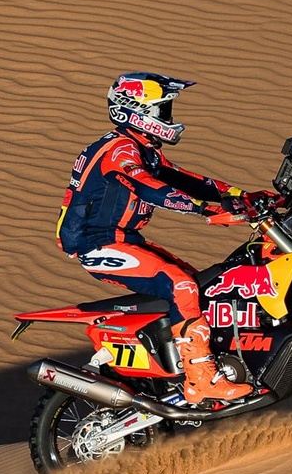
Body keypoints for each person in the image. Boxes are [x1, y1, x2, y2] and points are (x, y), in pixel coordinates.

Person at [56, 71, 270, 403]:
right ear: (136, 111)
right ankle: (200, 379)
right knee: (182, 286)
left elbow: (187, 180)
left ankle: (189, 364)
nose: (168, 117)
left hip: (125, 240)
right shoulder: (120, 150)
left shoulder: (142, 149)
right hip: (97, 244)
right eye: (162, 110)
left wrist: (243, 195)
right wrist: (205, 210)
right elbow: (149, 188)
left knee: (202, 287)